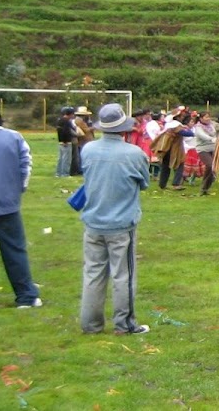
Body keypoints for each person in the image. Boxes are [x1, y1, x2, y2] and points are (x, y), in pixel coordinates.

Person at [79, 103, 150, 334]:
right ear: (123, 128)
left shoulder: (88, 150)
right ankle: (125, 324)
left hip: (93, 222)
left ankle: (90, 324)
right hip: (121, 224)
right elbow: (144, 183)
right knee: (123, 276)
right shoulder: (134, 154)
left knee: (93, 274)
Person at [0, 101, 42, 311]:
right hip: (7, 205)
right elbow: (26, 165)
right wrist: (17, 191)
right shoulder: (14, 137)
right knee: (15, 252)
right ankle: (26, 296)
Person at [192, 111, 219, 196]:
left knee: (213, 168)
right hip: (202, 149)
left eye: (209, 117)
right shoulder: (198, 127)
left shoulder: (211, 126)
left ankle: (206, 189)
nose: (208, 119)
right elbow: (202, 135)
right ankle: (203, 188)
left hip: (212, 148)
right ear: (200, 118)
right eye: (206, 117)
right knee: (210, 165)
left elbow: (215, 133)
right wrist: (211, 139)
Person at [56, 106, 77, 177]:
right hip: (66, 142)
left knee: (60, 158)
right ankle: (65, 174)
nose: (73, 116)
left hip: (60, 141)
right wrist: (65, 141)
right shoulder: (67, 121)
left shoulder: (59, 120)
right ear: (70, 114)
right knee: (66, 159)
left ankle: (58, 173)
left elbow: (59, 131)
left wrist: (61, 140)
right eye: (73, 114)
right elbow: (65, 131)